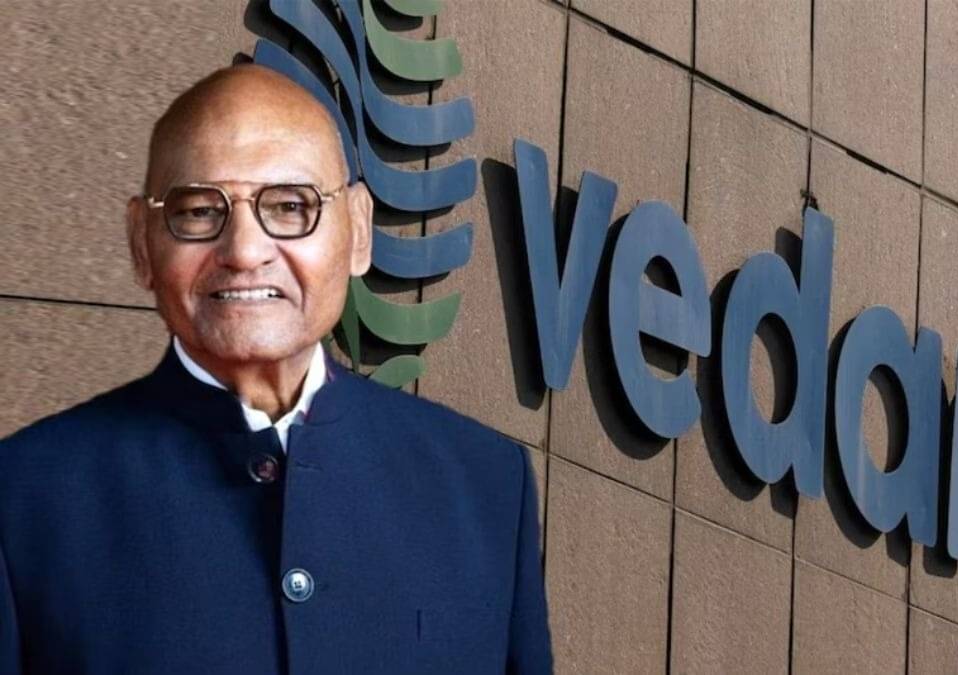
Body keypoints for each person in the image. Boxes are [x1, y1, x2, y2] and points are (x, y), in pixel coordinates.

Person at [0, 64, 551, 674]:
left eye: (291, 206)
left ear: (358, 231)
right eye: (199, 211)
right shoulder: (22, 497)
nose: (244, 252)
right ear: (141, 243)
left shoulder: (483, 486)